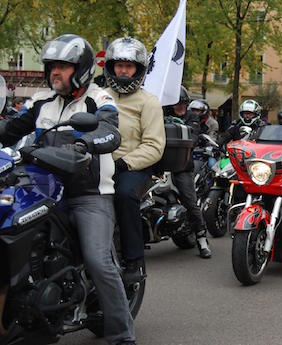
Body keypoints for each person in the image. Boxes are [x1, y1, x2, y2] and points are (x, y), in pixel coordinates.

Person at [0, 34, 135, 345]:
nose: (54, 73)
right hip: (41, 189)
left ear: (82, 69)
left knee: (98, 261)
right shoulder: (40, 102)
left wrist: (84, 142)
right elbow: (11, 130)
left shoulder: (99, 100)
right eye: (52, 67)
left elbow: (109, 131)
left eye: (62, 66)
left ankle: (122, 335)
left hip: (88, 195)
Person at [104, 37, 166, 285]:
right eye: (119, 65)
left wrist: (123, 163)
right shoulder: (98, 97)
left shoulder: (148, 102)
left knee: (124, 194)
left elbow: (154, 145)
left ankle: (134, 260)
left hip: (132, 167)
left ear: (139, 70)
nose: (123, 70)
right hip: (97, 165)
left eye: (128, 67)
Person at [163, 86, 212, 258]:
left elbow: (193, 136)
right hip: (159, 164)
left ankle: (201, 239)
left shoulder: (192, 117)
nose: (180, 108)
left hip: (181, 165)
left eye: (182, 104)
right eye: (176, 104)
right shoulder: (162, 114)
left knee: (190, 201)